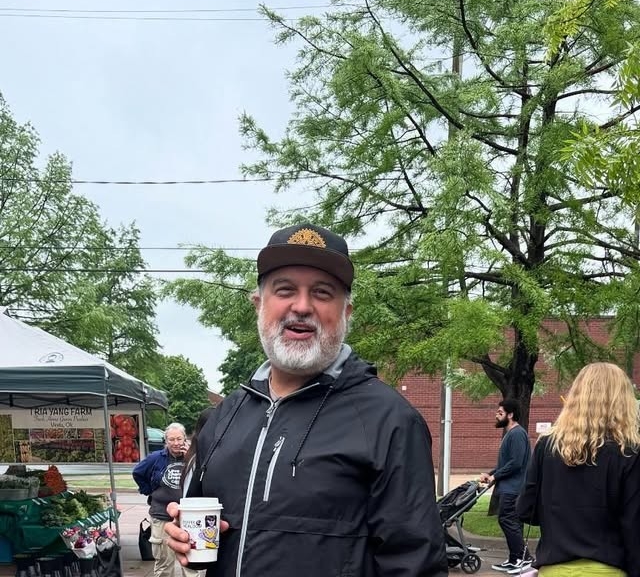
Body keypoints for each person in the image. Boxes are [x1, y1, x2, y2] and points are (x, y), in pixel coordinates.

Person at [165, 222, 448, 577]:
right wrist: (182, 536)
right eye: (285, 290)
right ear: (258, 305)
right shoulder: (227, 414)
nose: (301, 306)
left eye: (322, 292)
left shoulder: (390, 421)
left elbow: (416, 565)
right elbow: (196, 514)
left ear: (346, 313)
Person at [516, 362, 640, 577]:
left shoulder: (547, 445)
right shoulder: (630, 452)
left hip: (553, 569)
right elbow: (634, 525)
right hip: (607, 569)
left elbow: (526, 510)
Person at [133, 422, 199, 577]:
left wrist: (192, 458)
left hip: (188, 517)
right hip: (161, 516)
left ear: (185, 439)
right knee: (164, 564)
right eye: (171, 439)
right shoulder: (156, 458)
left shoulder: (194, 457)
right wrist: (148, 490)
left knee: (191, 563)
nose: (176, 443)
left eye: (179, 439)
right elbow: (137, 472)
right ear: (166, 441)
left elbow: (202, 478)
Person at [480, 399, 532, 574]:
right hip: (509, 487)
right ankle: (515, 559)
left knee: (507, 520)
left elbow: (516, 463)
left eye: (500, 412)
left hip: (513, 488)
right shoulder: (511, 434)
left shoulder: (517, 434)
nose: (497, 415)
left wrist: (495, 476)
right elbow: (506, 463)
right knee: (511, 522)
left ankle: (524, 558)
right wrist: (490, 474)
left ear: (510, 415)